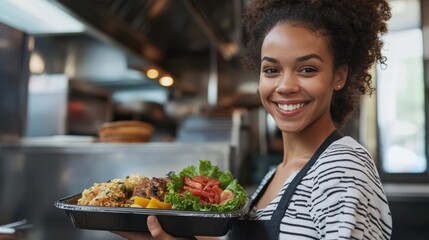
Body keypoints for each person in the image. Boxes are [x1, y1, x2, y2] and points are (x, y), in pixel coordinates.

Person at [115, 0, 392, 239]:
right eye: (271, 70)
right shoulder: (277, 173)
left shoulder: (342, 167)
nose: (285, 86)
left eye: (307, 69)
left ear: (339, 76)